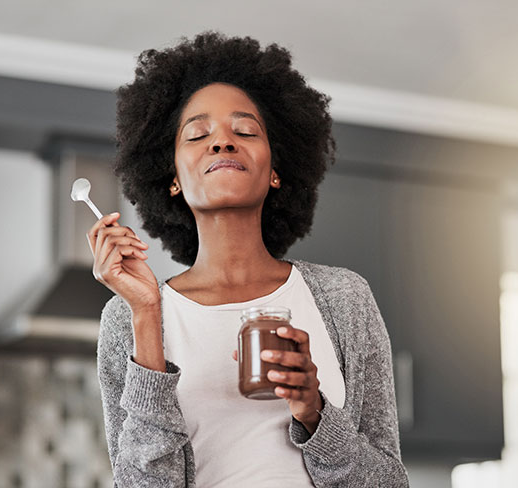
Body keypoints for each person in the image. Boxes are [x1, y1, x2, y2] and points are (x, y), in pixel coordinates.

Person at [88, 31, 409, 487]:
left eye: (244, 131)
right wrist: (145, 314)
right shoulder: (128, 319)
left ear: (276, 170)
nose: (222, 142)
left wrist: (314, 412)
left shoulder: (344, 299)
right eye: (197, 135)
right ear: (172, 178)